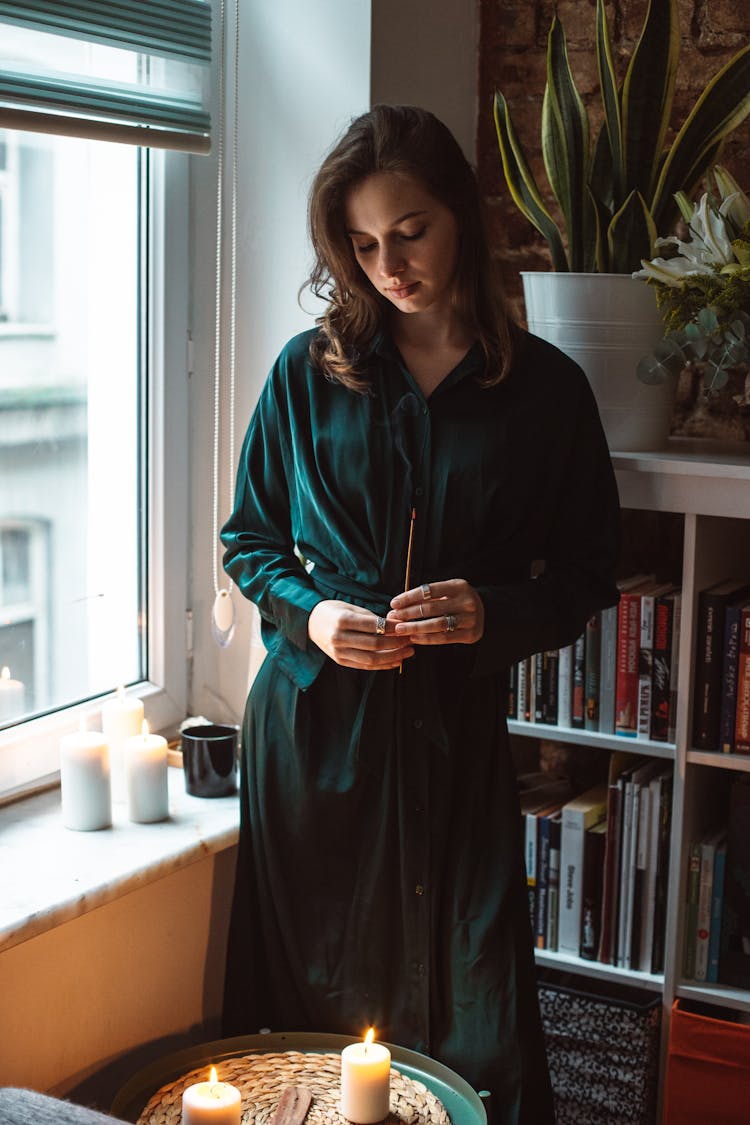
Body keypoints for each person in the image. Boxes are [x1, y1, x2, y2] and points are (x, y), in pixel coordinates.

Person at [220, 104, 620, 1125]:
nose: (387, 265)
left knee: (471, 1014)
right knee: (311, 1026)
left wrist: (489, 612)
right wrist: (311, 617)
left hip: (456, 742)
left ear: (463, 219)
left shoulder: (548, 394)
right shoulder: (307, 375)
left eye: (411, 232)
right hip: (315, 739)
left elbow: (585, 575)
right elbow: (250, 541)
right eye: (361, 244)